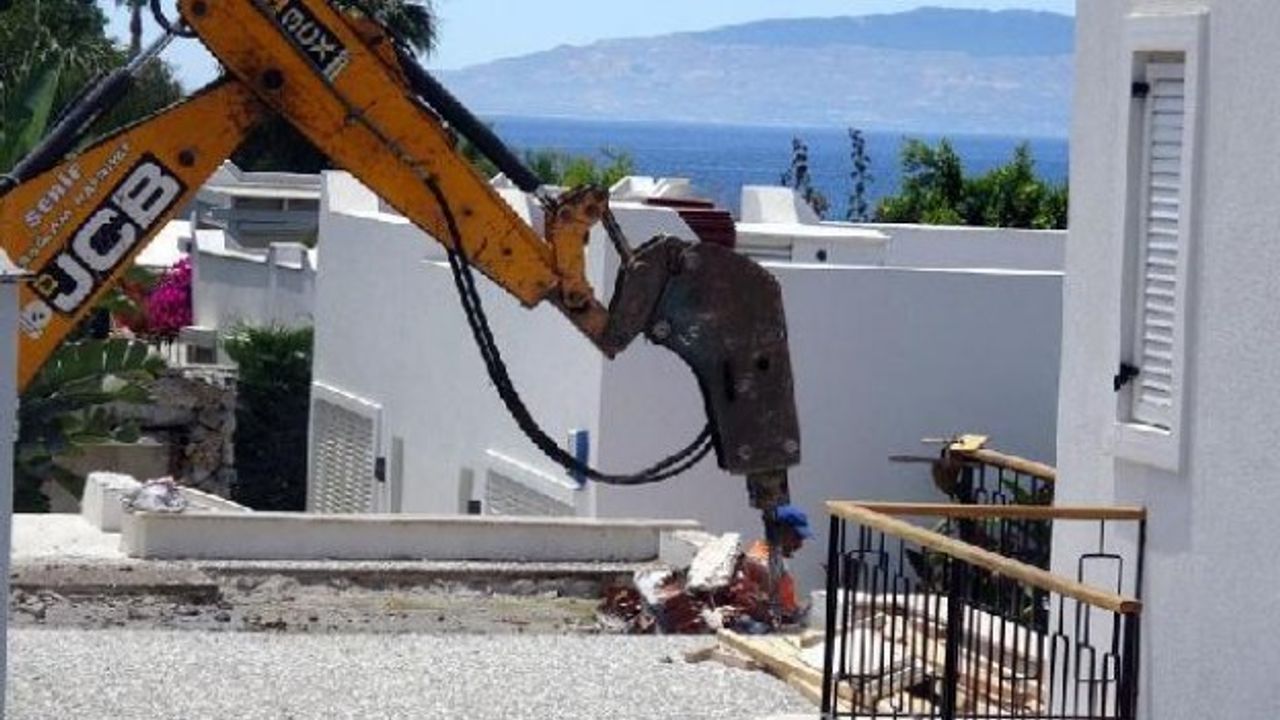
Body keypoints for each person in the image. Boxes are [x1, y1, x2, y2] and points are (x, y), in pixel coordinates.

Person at [743, 503, 813, 623]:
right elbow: (766, 610)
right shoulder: (762, 563)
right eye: (796, 538)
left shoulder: (774, 558)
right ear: (780, 532)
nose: (800, 545)